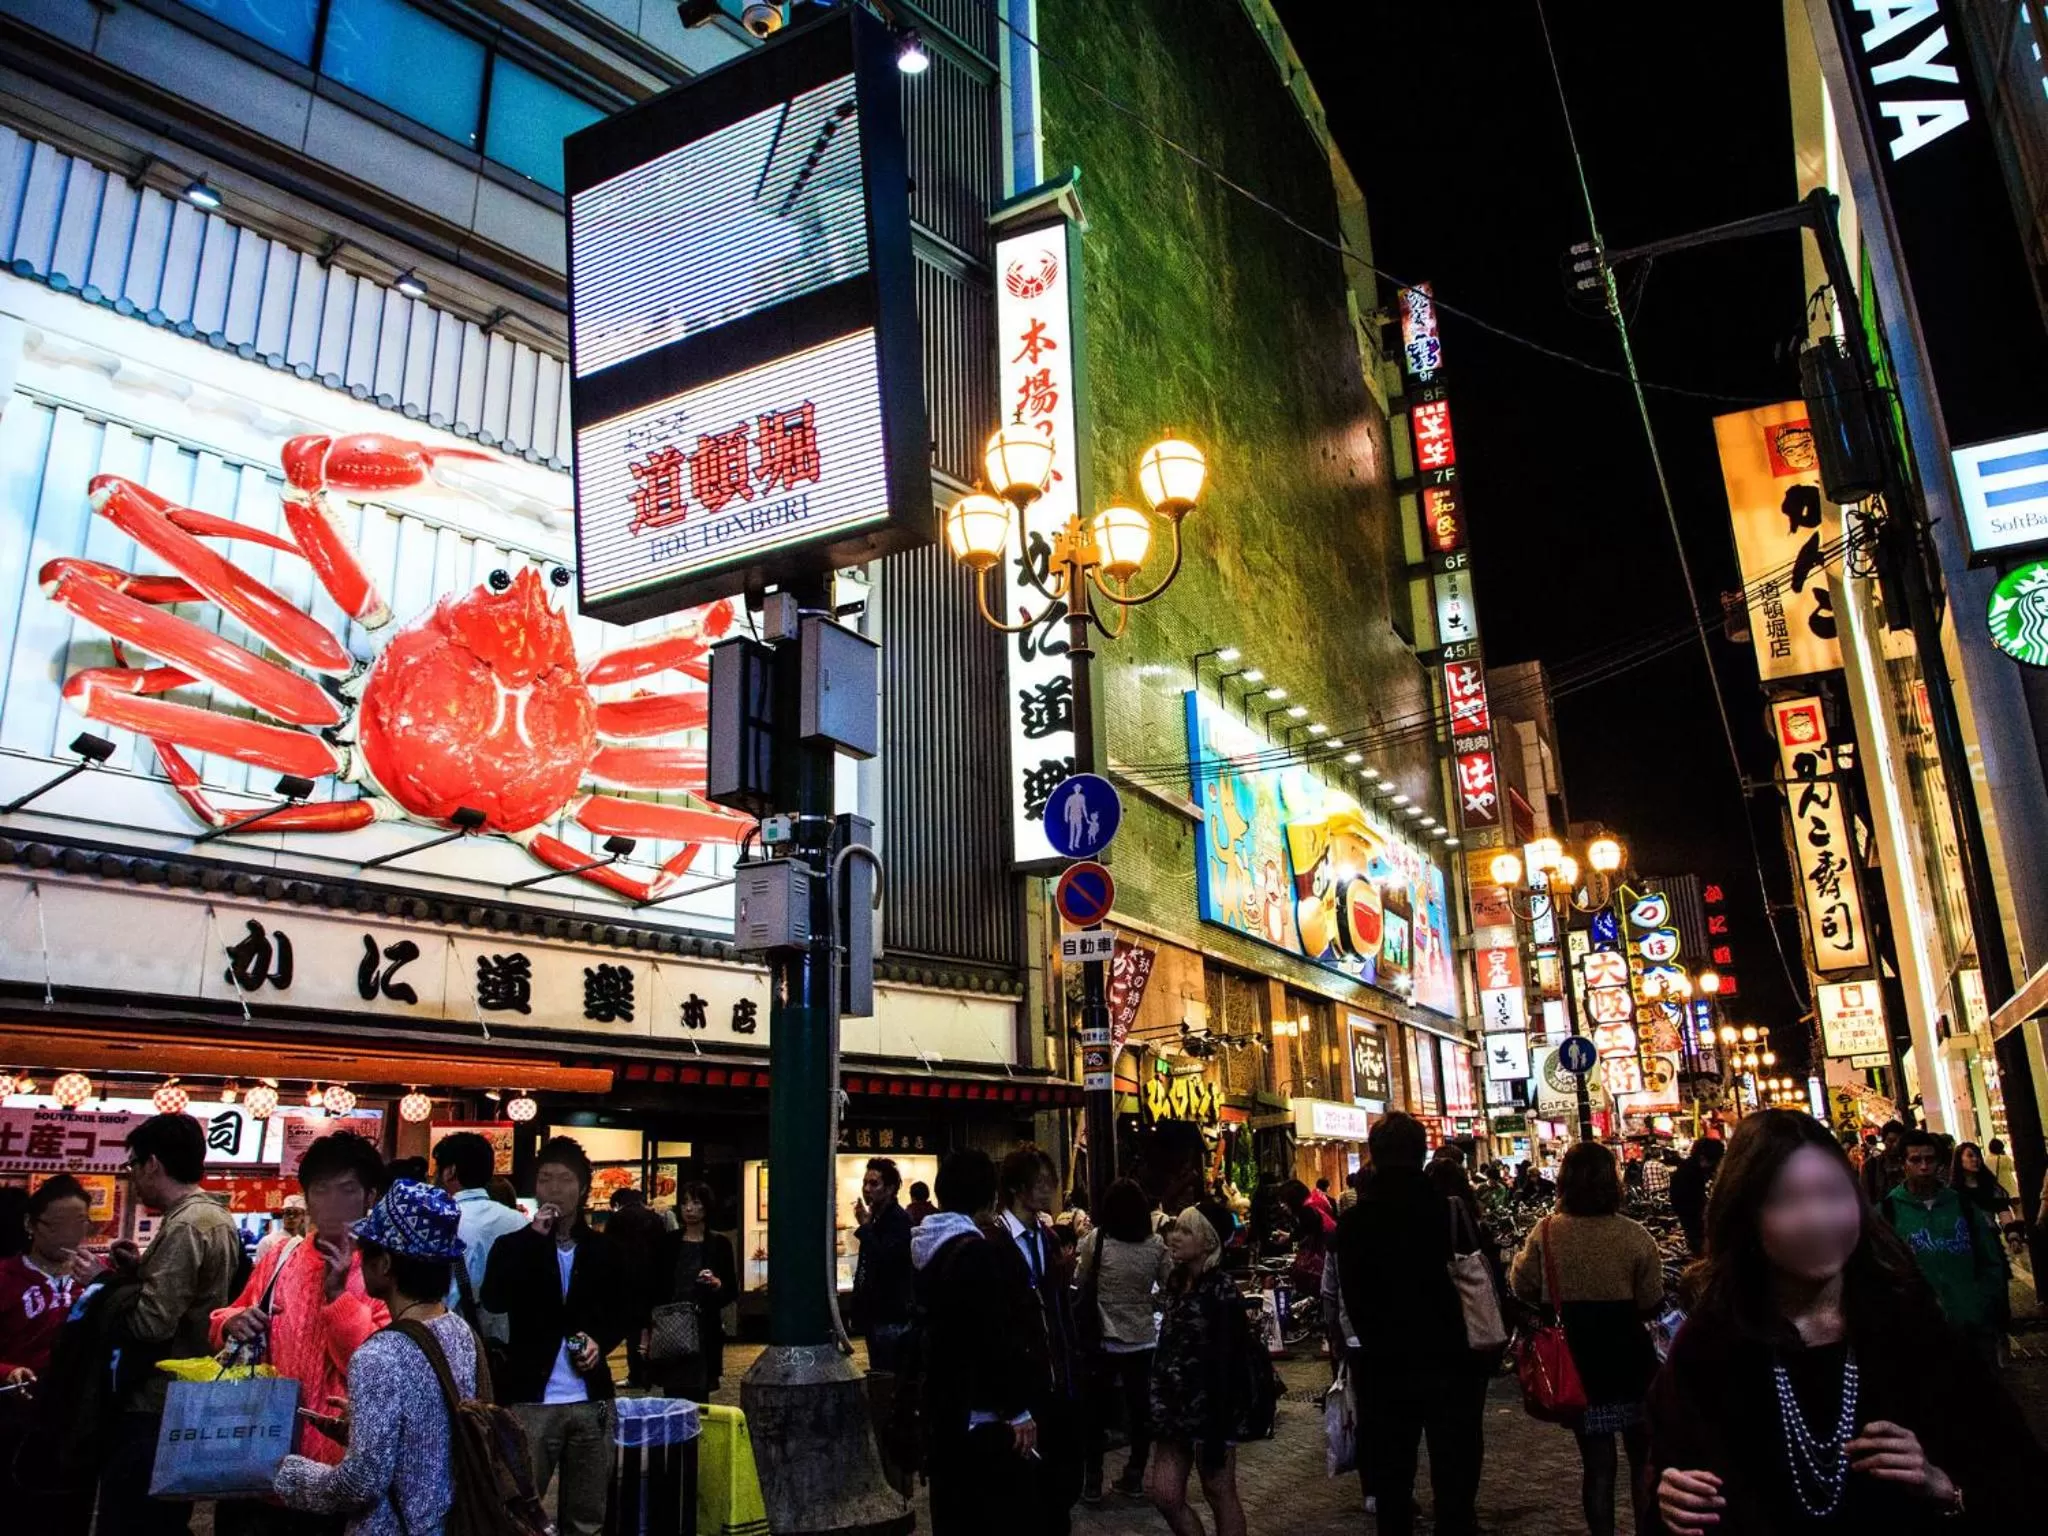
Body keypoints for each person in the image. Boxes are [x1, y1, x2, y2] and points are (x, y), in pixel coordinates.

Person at [1648, 1110, 2048, 1534]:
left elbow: (2020, 1475)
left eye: (1833, 1194)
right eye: (1786, 1200)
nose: (1817, 1219)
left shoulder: (1908, 1326)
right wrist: (1671, 1501)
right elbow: (1674, 1473)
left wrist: (1944, 1487)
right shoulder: (1712, 1345)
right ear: (1745, 1216)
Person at [272, 1180, 478, 1535]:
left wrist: (288, 1473)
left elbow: (360, 1484)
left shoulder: (380, 1354)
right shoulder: (459, 1331)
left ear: (384, 1264)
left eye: (363, 1251)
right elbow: (431, 1437)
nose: (356, 1259)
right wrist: (361, 1432)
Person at [211, 1132, 389, 1531]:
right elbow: (230, 1315)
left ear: (369, 1196)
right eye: (321, 1190)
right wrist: (230, 1323)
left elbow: (370, 1365)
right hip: (261, 1456)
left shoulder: (381, 1268)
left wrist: (338, 1294)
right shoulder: (281, 1255)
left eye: (347, 1190)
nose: (332, 1203)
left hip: (337, 1472)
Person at [90, 1112, 244, 1535]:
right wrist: (138, 1270)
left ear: (153, 1163)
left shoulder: (188, 1224)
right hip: (186, 1396)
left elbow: (152, 1324)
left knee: (136, 1520)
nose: (134, 1177)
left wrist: (103, 1285)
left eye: (133, 1166)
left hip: (156, 1401)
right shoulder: (214, 1217)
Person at [1336, 1111, 1484, 1536]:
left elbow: (1353, 1297)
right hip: (1450, 1361)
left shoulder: (1355, 1223)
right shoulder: (1449, 1211)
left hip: (1383, 1367)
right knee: (1453, 1477)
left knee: (1392, 1483)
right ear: (1421, 1153)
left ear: (1374, 1156)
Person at [1512, 1141, 1663, 1536]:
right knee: (1642, 1460)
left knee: (1598, 1468)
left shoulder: (1546, 1233)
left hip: (1579, 1363)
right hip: (1632, 1361)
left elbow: (1523, 1285)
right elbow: (1651, 1301)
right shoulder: (1635, 1236)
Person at [479, 1136, 628, 1536]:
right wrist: (533, 1240)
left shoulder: (604, 1250)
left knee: (587, 1515)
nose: (554, 1189)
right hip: (530, 1399)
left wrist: (600, 1341)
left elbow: (622, 1311)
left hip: (590, 1400)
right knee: (520, 1512)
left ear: (582, 1188)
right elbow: (493, 1297)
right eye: (546, 1179)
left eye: (565, 1180)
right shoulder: (515, 1245)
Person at [911, 1148, 1047, 1536]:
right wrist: (1016, 1408)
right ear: (989, 1196)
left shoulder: (925, 1245)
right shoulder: (977, 1253)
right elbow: (991, 1338)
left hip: (943, 1411)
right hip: (979, 1413)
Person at [1146, 1207, 1257, 1536]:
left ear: (1208, 1242)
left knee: (1218, 1491)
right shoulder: (1177, 1280)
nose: (1175, 1237)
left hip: (1211, 1408)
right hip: (1172, 1408)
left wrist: (1218, 1425)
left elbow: (1228, 1360)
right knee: (1165, 1494)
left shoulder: (1221, 1291)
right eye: (1176, 1229)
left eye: (1186, 1232)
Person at [989, 1144, 1082, 1531]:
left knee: (1060, 1490)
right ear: (1016, 1189)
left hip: (1056, 1378)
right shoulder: (995, 1242)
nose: (1048, 1192)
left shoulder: (1045, 1238)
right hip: (1023, 1385)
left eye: (1050, 1183)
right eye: (1040, 1184)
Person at [0, 1176, 100, 1533]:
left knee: (71, 1512)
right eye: (57, 1225)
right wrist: (7, 1370)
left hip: (78, 1423)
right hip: (16, 1421)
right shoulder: (6, 1277)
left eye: (80, 1224)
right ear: (31, 1225)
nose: (69, 1236)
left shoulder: (96, 1280)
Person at [1075, 1176, 1171, 1503]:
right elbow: (1168, 1284)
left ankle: (1093, 1478)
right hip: (1143, 1338)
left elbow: (1080, 1279)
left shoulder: (1095, 1241)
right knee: (1140, 1411)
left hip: (1103, 1339)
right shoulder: (1156, 1246)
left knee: (1096, 1412)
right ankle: (1134, 1473)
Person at [1881, 1129, 2007, 1366]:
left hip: (1970, 1325)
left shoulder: (1961, 1205)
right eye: (1916, 1160)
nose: (1924, 1167)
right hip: (1916, 1333)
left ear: (1940, 1163)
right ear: (1903, 1164)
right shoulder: (1888, 1212)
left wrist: (1983, 1304)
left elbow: (1989, 1259)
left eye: (1929, 1159)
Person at [651, 1181, 736, 1402]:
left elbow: (731, 1289)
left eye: (696, 1203)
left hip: (703, 1327)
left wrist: (717, 1284)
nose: (689, 1209)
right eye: (685, 1203)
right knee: (673, 1392)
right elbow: (656, 1286)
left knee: (699, 1394)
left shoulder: (719, 1244)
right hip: (672, 1323)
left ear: (706, 1207)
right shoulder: (668, 1243)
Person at [432, 1131, 526, 1325]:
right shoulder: (520, 1221)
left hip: (465, 1339)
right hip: (516, 1339)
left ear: (450, 1171)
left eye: (436, 1169)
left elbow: (445, 1300)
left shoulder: (447, 1224)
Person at [853, 1156, 915, 1373]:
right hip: (876, 1315)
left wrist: (865, 1228)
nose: (867, 1189)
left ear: (889, 1189)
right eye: (865, 1183)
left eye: (874, 1183)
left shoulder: (898, 1221)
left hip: (892, 1316)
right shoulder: (876, 1220)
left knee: (890, 1376)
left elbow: (885, 1260)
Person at [602, 1187, 669, 1388]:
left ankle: (636, 1374)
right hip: (653, 1282)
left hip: (626, 1284)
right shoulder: (655, 1219)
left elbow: (608, 1252)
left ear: (618, 1203)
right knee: (651, 1327)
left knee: (632, 1330)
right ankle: (653, 1371)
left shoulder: (617, 1220)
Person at [1670, 1138, 1723, 1256]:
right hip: (1694, 1220)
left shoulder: (1688, 1167)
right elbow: (1694, 1202)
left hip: (1690, 1218)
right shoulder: (1692, 1172)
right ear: (1704, 1157)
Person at [1948, 1141, 2012, 1218]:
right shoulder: (1953, 1191)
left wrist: (2010, 1228)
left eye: (1978, 1156)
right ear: (1959, 1160)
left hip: (1990, 1229)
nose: (1975, 1159)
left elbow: (2003, 1210)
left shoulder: (1989, 1185)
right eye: (1970, 1156)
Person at [1860, 1119, 1907, 1205]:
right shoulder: (1871, 1166)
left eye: (1899, 1141)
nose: (1895, 1145)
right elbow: (1865, 1197)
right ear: (1884, 1141)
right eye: (1891, 1141)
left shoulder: (1910, 1163)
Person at [256, 1196, 308, 1264]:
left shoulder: (307, 1242)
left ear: (303, 1216)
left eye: (296, 1213)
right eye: (288, 1213)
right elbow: (260, 1270)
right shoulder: (268, 1241)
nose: (291, 1217)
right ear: (283, 1215)